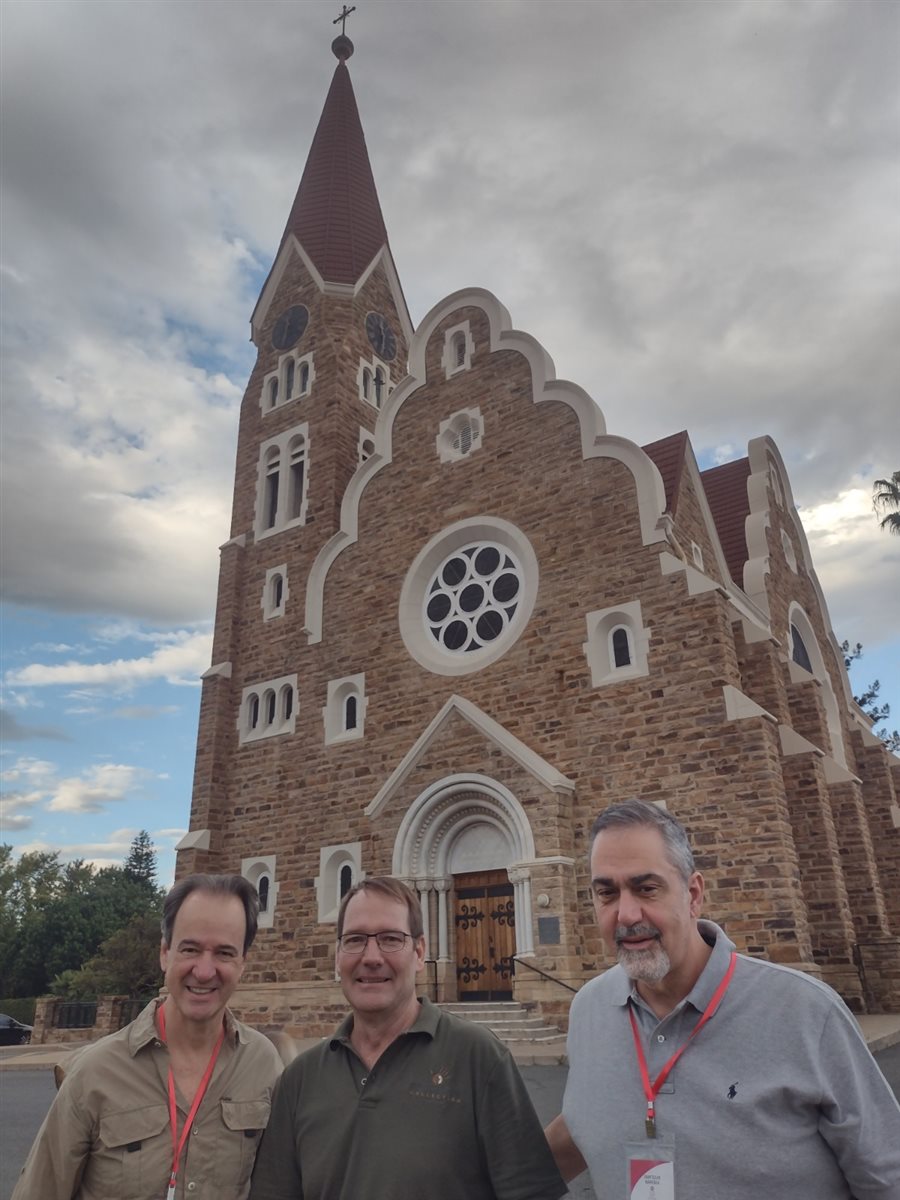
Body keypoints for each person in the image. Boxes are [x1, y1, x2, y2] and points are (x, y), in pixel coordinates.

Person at [545, 799, 900, 1199]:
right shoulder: (589, 1009)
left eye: (646, 888)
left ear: (694, 894)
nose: (626, 914)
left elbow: (886, 1178)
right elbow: (581, 1123)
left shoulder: (806, 1012)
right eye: (606, 893)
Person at [249, 876, 566, 1200]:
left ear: (419, 953)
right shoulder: (300, 1079)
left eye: (390, 938)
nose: (371, 957)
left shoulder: (480, 1058)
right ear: (337, 955)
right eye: (355, 939)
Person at [13, 873, 283, 1200]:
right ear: (165, 953)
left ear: (243, 963)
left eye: (225, 953)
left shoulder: (263, 1065)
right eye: (190, 949)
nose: (204, 970)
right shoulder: (95, 1072)